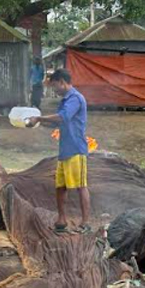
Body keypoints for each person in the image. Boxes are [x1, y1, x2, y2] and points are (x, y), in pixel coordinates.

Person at [27, 69, 91, 235]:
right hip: (65, 151)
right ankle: (61, 220)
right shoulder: (65, 100)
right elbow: (58, 122)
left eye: (55, 86)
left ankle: (85, 223)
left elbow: (62, 117)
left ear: (62, 82)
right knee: (60, 187)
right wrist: (37, 123)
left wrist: (39, 118)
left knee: (81, 186)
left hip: (76, 149)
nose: (54, 90)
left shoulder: (75, 98)